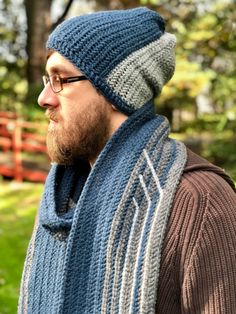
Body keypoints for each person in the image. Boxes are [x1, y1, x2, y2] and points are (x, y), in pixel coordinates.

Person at [18, 7, 236, 314]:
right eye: (47, 79)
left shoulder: (201, 201)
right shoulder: (63, 198)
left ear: (116, 91)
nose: (44, 98)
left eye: (61, 80)